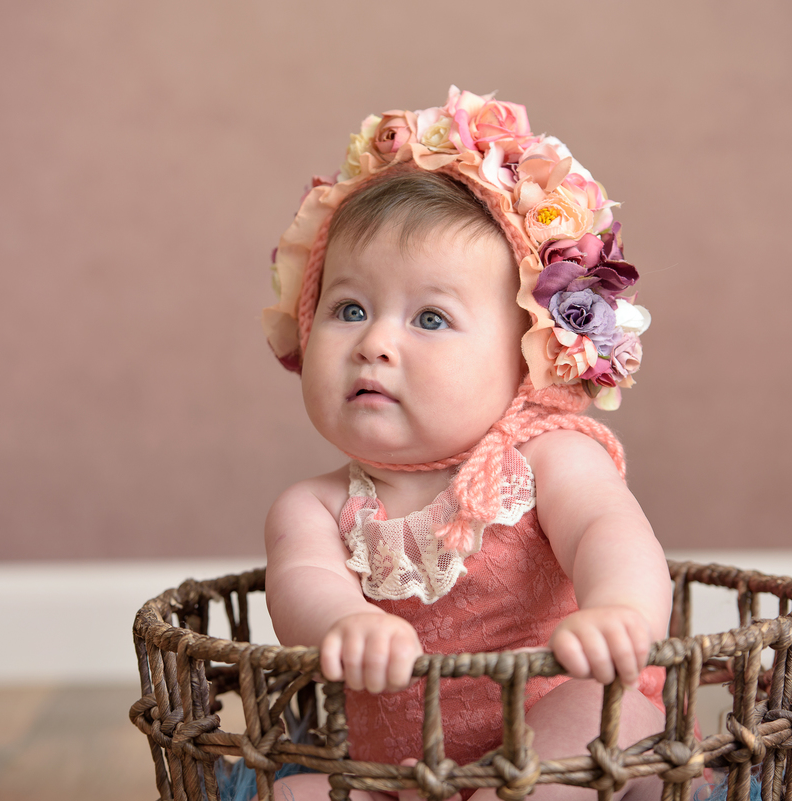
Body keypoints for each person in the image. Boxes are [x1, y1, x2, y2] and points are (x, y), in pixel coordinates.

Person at [261, 87, 672, 801]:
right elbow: (303, 584)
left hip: (556, 740)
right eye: (349, 308)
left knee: (604, 714)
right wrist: (346, 621)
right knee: (294, 796)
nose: (374, 343)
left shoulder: (546, 456)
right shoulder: (315, 506)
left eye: (430, 318)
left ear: (525, 355)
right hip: (406, 774)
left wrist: (618, 611)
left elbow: (609, 530)